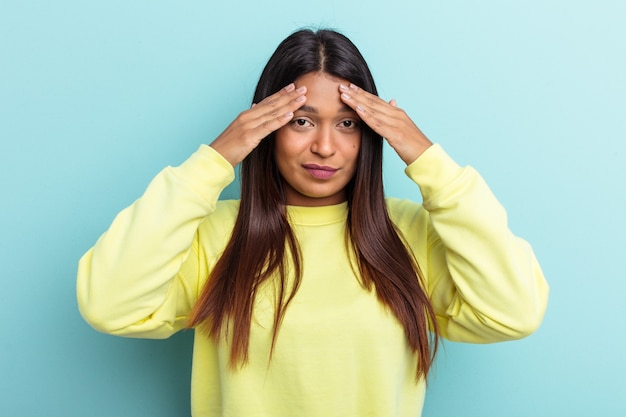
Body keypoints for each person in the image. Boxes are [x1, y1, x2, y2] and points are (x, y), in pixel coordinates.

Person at [77, 28, 549, 417]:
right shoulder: (216, 236)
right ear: (265, 126)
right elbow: (108, 304)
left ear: (372, 132)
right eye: (302, 121)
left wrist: (428, 160)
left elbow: (514, 311)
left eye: (348, 124)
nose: (325, 147)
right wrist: (215, 160)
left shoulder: (408, 235)